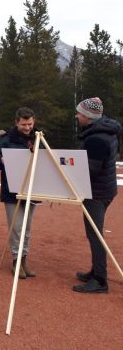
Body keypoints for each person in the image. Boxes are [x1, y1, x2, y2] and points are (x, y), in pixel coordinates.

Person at [73, 97, 121, 293]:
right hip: (104, 189)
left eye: (79, 113)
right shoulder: (104, 132)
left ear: (88, 116)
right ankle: (96, 271)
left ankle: (100, 280)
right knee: (94, 233)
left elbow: (90, 170)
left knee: (95, 235)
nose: (77, 116)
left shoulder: (96, 139)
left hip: (96, 192)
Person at [0, 107, 38, 279]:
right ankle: (16, 261)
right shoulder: (6, 140)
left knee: (27, 227)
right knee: (16, 227)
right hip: (12, 191)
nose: (27, 127)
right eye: (24, 124)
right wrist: (3, 160)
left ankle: (24, 259)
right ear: (16, 122)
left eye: (30, 124)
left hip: (32, 189)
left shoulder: (38, 137)